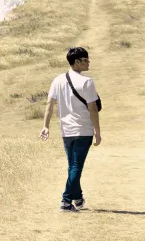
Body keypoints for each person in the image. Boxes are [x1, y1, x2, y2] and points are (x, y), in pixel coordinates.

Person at [40, 47, 102, 212]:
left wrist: (45, 126)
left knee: (73, 166)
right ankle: (66, 201)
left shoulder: (57, 80)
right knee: (76, 166)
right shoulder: (87, 82)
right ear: (76, 62)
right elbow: (93, 109)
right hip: (83, 129)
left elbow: (49, 104)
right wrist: (97, 130)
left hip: (66, 130)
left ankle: (78, 198)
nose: (88, 62)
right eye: (85, 60)